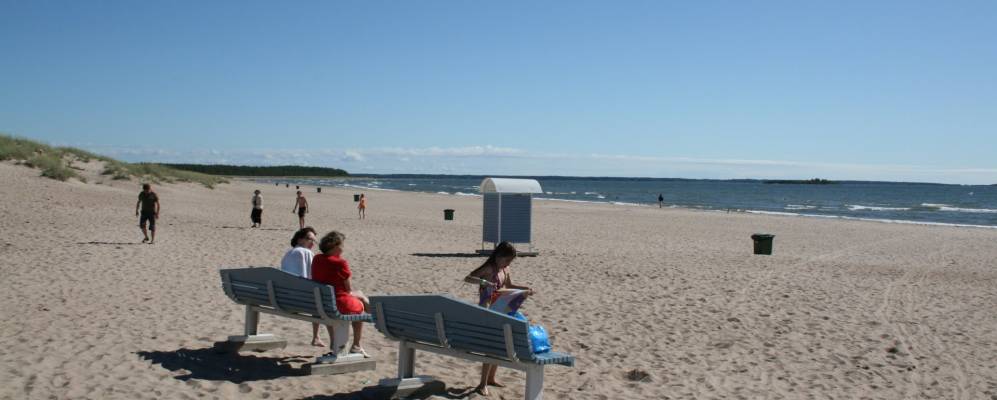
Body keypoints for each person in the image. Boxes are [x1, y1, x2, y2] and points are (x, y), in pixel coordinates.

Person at [463, 241, 534, 395]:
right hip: (488, 309)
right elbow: (468, 278)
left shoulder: (505, 268)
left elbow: (509, 286)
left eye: (510, 261)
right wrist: (483, 281)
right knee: (491, 346)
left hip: (501, 308)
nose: (508, 263)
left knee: (500, 344)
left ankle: (491, 378)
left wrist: (525, 289)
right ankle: (482, 384)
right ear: (498, 256)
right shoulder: (489, 268)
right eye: (507, 260)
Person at [311, 231, 370, 358]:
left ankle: (334, 342)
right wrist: (359, 296)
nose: (343, 248)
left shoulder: (317, 258)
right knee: (361, 304)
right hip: (338, 303)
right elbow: (348, 289)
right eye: (342, 245)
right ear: (335, 246)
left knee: (358, 297)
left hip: (322, 302)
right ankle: (356, 345)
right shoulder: (340, 263)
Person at [280, 227, 324, 346]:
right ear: (299, 239)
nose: (312, 243)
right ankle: (316, 337)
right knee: (321, 298)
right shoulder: (306, 253)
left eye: (314, 240)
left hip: (282, 298)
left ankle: (317, 337)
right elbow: (311, 278)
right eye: (310, 239)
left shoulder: (288, 253)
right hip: (300, 300)